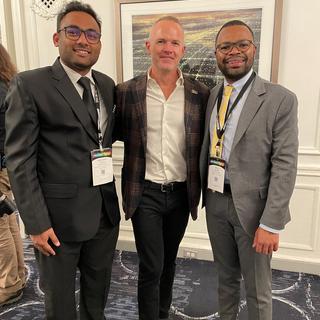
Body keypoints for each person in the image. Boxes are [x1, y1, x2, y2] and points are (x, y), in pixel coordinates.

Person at [4, 1, 120, 319]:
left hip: (103, 212)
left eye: (92, 34)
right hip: (57, 221)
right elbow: (19, 160)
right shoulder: (30, 85)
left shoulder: (107, 86)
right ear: (58, 38)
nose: (83, 40)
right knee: (61, 303)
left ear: (99, 42)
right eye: (74, 31)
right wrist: (37, 223)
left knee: (97, 295)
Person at [199, 20, 298, 320]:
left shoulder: (280, 99)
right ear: (216, 53)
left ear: (253, 49)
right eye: (225, 46)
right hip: (215, 202)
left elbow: (285, 163)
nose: (234, 52)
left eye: (242, 44)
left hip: (254, 211)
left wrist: (271, 224)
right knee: (225, 280)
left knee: (257, 290)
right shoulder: (212, 95)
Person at [116, 16, 209, 320]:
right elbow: (101, 134)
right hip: (145, 194)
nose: (167, 48)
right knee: (151, 264)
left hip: (182, 194)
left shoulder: (200, 94)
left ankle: (162, 313)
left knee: (168, 262)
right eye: (161, 41)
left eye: (174, 43)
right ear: (148, 46)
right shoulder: (127, 92)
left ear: (183, 49)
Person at [0, 43, 26, 307]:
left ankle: (9, 284)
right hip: (8, 165)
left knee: (0, 227)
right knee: (7, 219)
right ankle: (17, 276)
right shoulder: (9, 85)